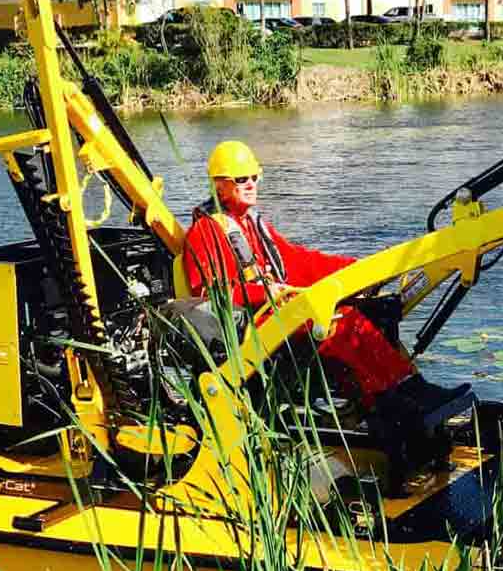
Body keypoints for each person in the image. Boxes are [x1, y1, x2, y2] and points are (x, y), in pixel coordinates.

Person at [181, 140, 468, 418]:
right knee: (343, 324)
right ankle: (390, 403)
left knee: (367, 313)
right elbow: (211, 293)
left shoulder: (252, 224)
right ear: (219, 185)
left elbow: (298, 260)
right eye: (241, 179)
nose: (251, 184)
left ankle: (408, 388)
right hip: (255, 324)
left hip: (279, 311)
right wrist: (268, 293)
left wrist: (359, 269)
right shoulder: (205, 232)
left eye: (255, 177)